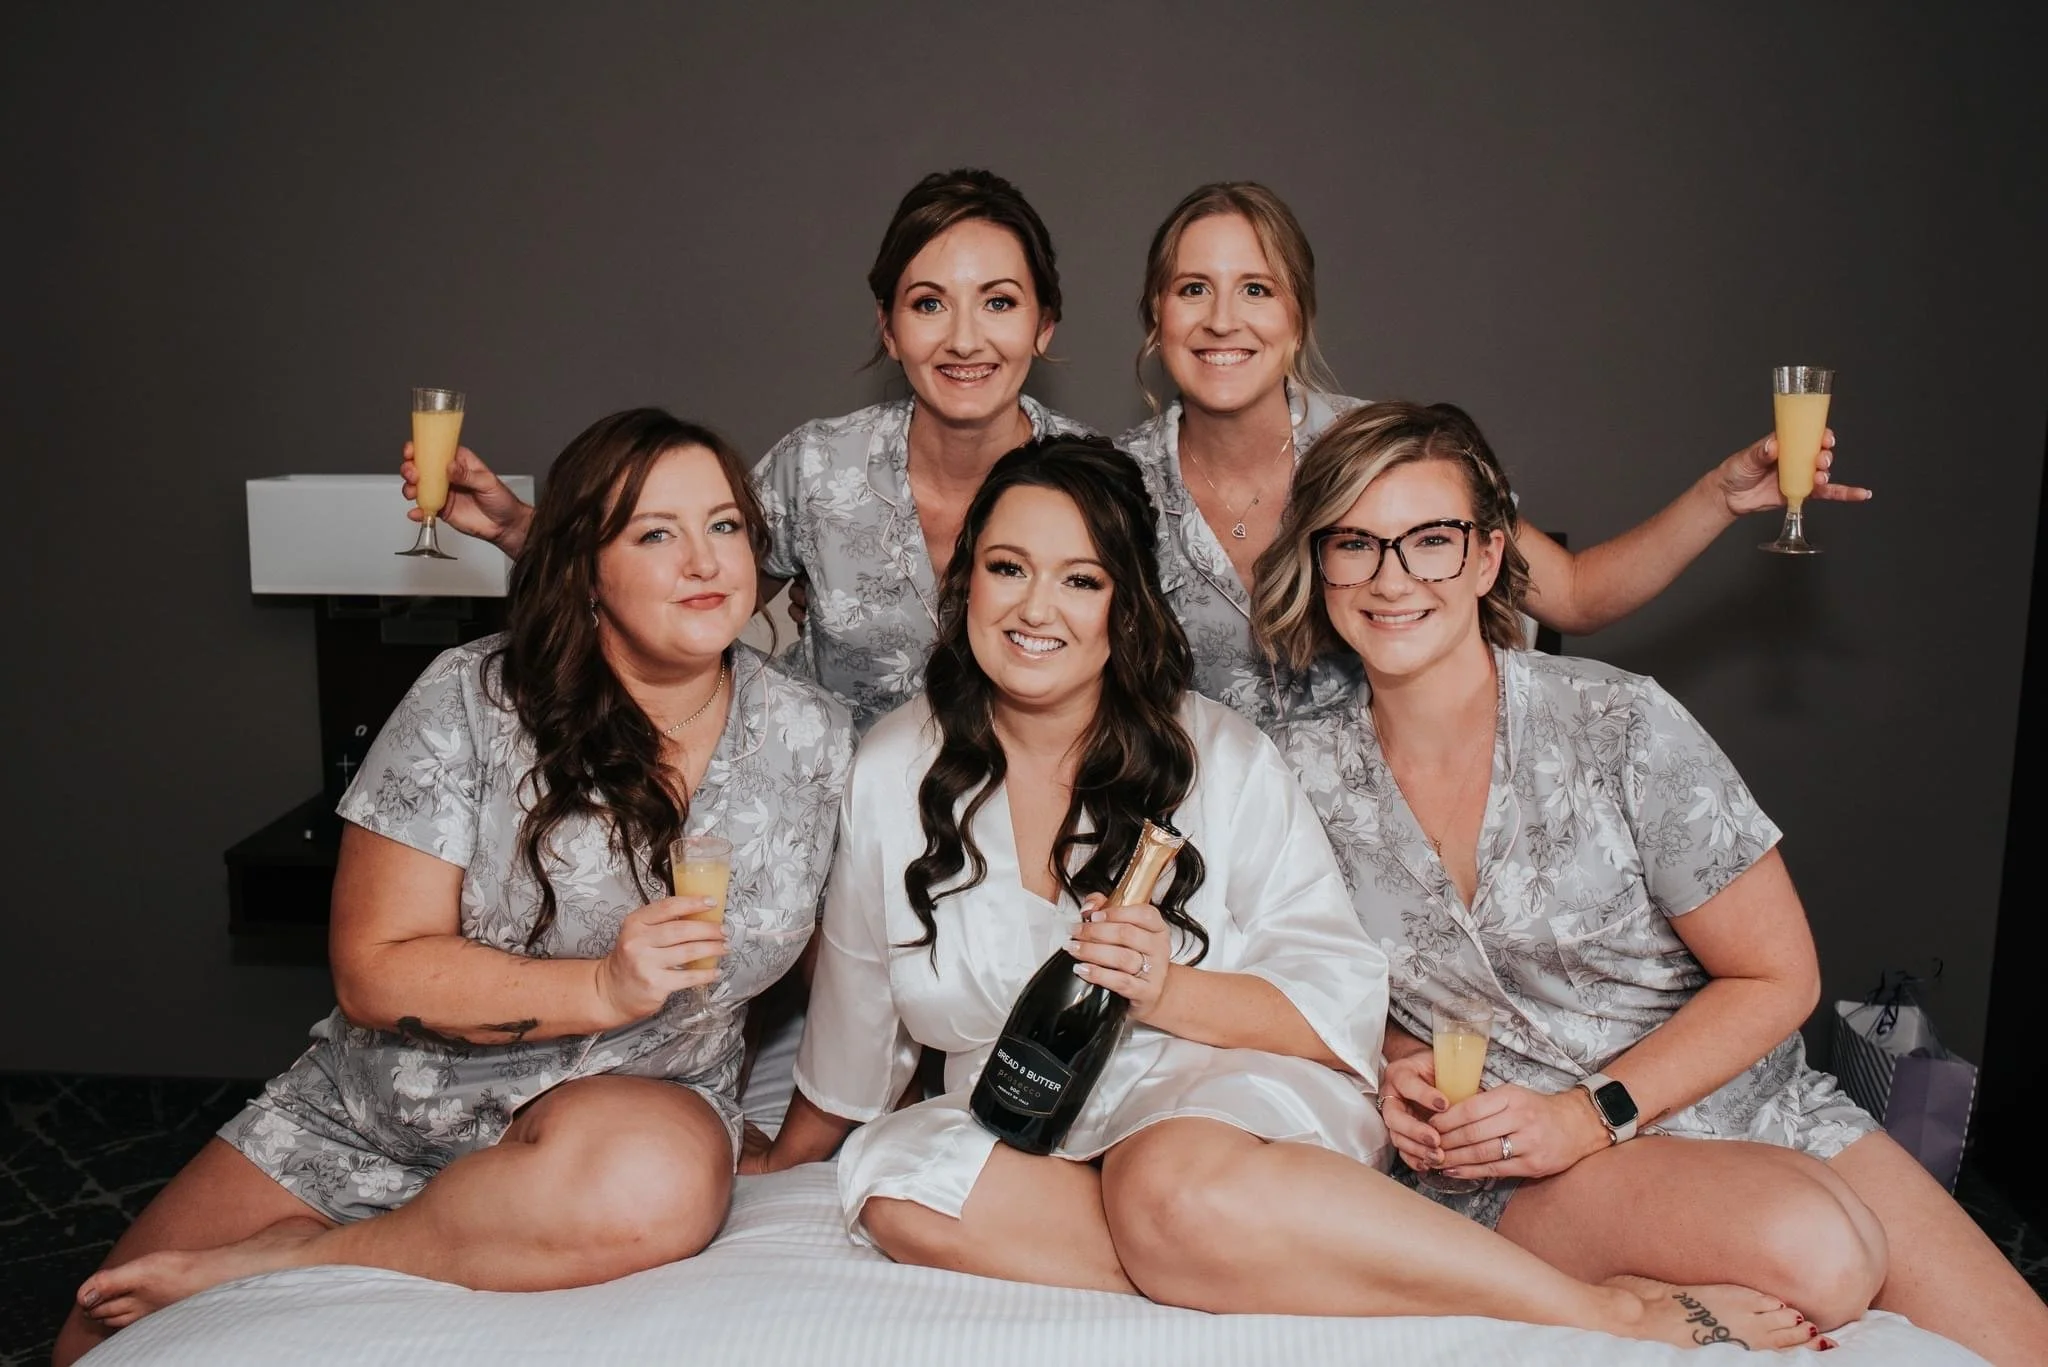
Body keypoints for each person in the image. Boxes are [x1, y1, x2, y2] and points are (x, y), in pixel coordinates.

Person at [752, 434, 1817, 1352]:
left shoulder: (1221, 755)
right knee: (893, 1183)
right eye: (1006, 568)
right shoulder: (892, 767)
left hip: (1220, 1100)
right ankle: (1238, 1262)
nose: (1039, 607)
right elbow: (855, 1002)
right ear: (965, 586)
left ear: (1123, 605)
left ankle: (1589, 1313)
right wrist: (795, 1148)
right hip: (1029, 1127)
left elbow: (1338, 1000)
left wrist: (1171, 990)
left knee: (1168, 1184)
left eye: (1081, 579)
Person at [1257, 400, 2048, 1365]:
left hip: (1737, 1107)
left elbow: (1778, 977)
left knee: (2025, 1343)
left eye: (1430, 541)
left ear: (1487, 556)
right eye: (1355, 544)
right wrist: (1392, 1061)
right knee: (1824, 1253)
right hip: (1509, 1165)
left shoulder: (1619, 724)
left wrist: (1591, 1115)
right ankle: (1613, 1289)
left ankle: (1655, 1270)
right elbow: (1314, 979)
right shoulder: (1295, 776)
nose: (1392, 580)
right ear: (1320, 561)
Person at [56, 410, 852, 1365]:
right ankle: (346, 1223)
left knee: (656, 1184)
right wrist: (599, 986)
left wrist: (808, 1132)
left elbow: (849, 955)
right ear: (584, 567)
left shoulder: (812, 736)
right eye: (654, 532)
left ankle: (305, 1259)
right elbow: (374, 968)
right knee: (89, 1340)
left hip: (621, 1111)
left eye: (725, 526)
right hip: (384, 1109)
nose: (704, 560)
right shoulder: (471, 698)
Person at [1120, 181, 1870, 724]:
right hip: (1194, 857)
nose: (1223, 319)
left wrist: (1721, 496)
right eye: (1193, 289)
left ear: (1297, 315)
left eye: (1255, 289)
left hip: (1382, 842)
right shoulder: (1113, 484)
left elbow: (1574, 594)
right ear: (1157, 314)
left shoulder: (1380, 450)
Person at [405, 168, 1092, 732]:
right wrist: (522, 530)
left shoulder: (1101, 484)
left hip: (1020, 838)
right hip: (827, 833)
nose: (965, 339)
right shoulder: (820, 467)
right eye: (928, 304)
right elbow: (675, 588)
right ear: (888, 329)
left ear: (1044, 323)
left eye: (999, 303)